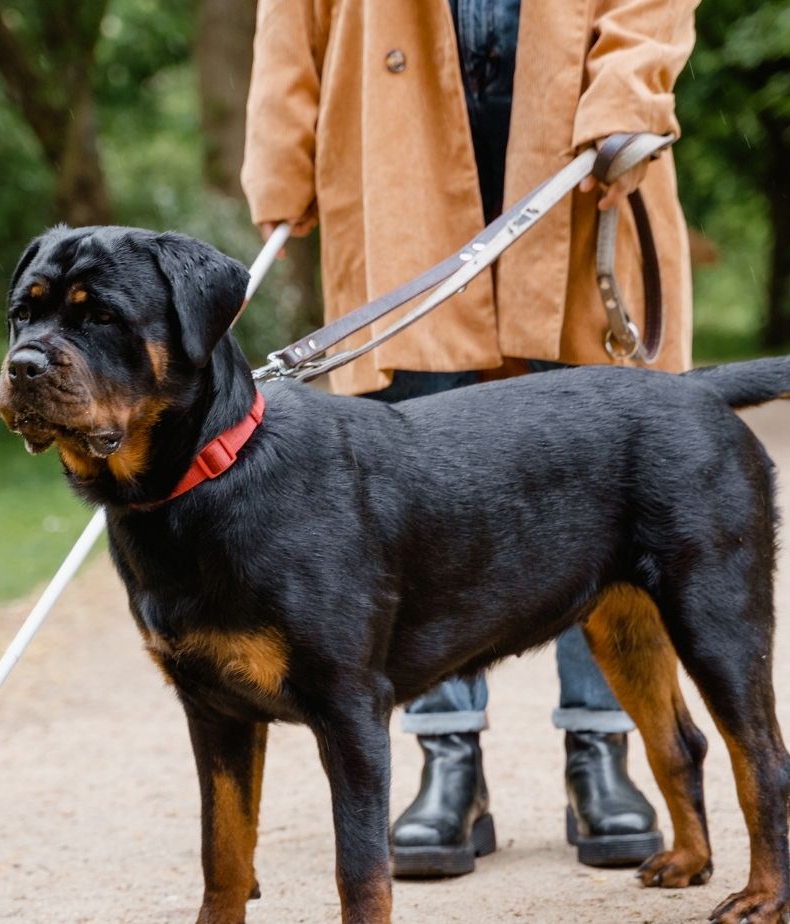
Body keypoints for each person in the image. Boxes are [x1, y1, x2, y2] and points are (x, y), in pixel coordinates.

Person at [242, 0, 699, 878]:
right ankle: (448, 760)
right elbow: (291, 23)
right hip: (392, 152)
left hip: (581, 155)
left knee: (599, 475)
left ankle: (599, 752)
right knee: (412, 481)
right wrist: (281, 164)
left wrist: (629, 98)